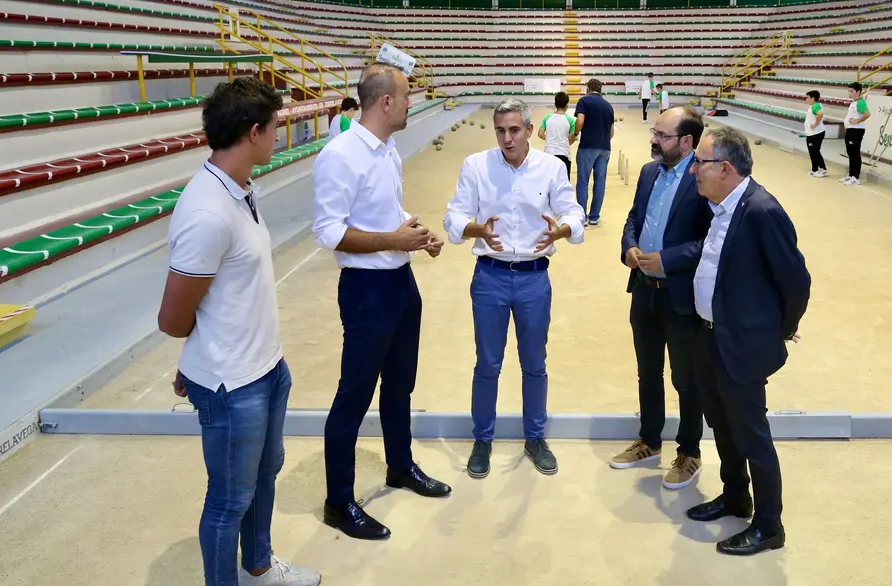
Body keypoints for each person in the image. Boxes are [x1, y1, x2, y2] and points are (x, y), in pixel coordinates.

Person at [158, 77, 319, 586]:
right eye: (276, 127)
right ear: (253, 132)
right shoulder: (207, 212)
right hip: (232, 383)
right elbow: (172, 318)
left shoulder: (241, 188)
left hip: (266, 368)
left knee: (264, 476)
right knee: (230, 499)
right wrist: (199, 362)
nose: (280, 134)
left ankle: (258, 567)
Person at [311, 63, 451, 542]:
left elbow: (385, 214)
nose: (412, 102)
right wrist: (394, 239)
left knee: (400, 386)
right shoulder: (340, 155)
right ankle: (339, 500)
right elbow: (330, 232)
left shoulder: (387, 150)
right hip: (366, 291)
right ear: (386, 103)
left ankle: (399, 466)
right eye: (407, 96)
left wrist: (413, 231)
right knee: (353, 396)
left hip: (400, 283)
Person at [444, 99, 586, 479]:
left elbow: (575, 212)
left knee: (534, 364)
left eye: (514, 130)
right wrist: (476, 230)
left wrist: (563, 229)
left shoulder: (551, 167)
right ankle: (483, 439)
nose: (507, 138)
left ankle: (535, 437)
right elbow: (454, 215)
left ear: (528, 130)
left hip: (534, 277)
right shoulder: (476, 165)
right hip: (489, 276)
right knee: (487, 364)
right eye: (500, 131)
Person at [687, 126, 811, 557]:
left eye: (699, 162)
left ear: (724, 167)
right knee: (722, 425)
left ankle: (769, 525)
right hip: (710, 338)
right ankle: (736, 495)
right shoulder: (720, 208)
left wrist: (777, 328)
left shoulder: (762, 211)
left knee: (752, 435)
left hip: (741, 345)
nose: (693, 171)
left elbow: (795, 281)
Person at [612, 107, 711, 490]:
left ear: (687, 142)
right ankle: (650, 441)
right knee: (647, 372)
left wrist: (667, 260)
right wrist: (629, 248)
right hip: (644, 291)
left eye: (662, 135)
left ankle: (689, 452)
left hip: (681, 296)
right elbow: (633, 218)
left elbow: (711, 240)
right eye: (655, 132)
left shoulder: (703, 178)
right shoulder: (649, 172)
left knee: (686, 379)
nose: (654, 139)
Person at [574, 78, 615, 226]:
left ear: (588, 88)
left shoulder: (584, 101)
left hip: (587, 146)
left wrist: (575, 133)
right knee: (599, 183)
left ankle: (581, 216)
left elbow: (580, 121)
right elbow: (611, 132)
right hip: (605, 147)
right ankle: (594, 216)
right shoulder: (608, 106)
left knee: (583, 182)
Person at [538, 91, 577, 179]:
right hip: (564, 155)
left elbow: (540, 134)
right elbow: (570, 141)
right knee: (563, 184)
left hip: (548, 154)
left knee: (549, 183)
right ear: (567, 105)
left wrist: (549, 138)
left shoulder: (547, 118)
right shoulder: (571, 120)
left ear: (555, 104)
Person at [843, 82, 869, 185]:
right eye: (849, 91)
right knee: (850, 153)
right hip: (850, 130)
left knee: (855, 154)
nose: (849, 93)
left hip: (856, 131)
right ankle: (850, 175)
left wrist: (857, 121)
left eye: (852, 91)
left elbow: (867, 114)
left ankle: (856, 177)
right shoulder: (854, 103)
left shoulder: (860, 103)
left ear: (858, 92)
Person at [804, 90, 827, 178]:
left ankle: (823, 168)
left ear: (813, 98)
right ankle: (815, 169)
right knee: (812, 152)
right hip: (811, 133)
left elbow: (820, 114)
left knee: (815, 152)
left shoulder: (816, 106)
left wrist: (815, 124)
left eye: (808, 98)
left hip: (816, 133)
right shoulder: (814, 106)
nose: (807, 99)